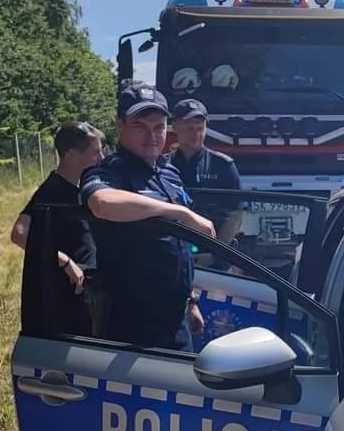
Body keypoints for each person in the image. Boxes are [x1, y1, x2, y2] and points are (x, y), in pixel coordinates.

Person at [80, 83, 215, 353]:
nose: (151, 136)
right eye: (140, 126)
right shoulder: (110, 172)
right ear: (119, 125)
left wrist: (191, 301)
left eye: (158, 127)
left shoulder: (169, 173)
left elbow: (178, 246)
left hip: (175, 318)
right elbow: (102, 203)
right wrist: (179, 212)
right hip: (132, 323)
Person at [10, 121, 104, 336]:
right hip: (68, 291)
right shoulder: (52, 191)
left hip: (91, 288)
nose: (101, 158)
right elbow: (19, 233)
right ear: (71, 154)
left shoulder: (85, 189)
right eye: (95, 152)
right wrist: (64, 261)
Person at [168, 98, 244, 245]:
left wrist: (216, 251)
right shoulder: (163, 166)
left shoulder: (223, 166)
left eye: (200, 128)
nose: (196, 134)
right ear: (175, 126)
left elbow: (236, 214)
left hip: (213, 249)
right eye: (190, 128)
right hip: (175, 248)